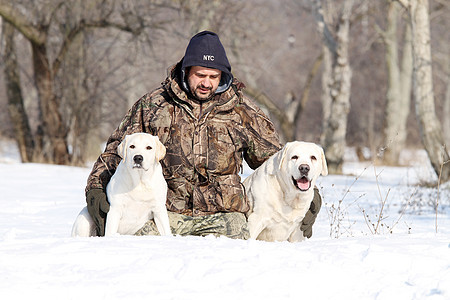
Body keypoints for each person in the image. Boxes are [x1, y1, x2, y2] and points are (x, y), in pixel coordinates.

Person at [85, 31, 322, 239]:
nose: (206, 83)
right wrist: (96, 187)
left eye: (213, 76)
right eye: (200, 74)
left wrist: (308, 191)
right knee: (139, 243)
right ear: (187, 70)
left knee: (237, 252)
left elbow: (277, 161)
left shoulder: (242, 110)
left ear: (223, 76)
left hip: (225, 218)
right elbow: (118, 149)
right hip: (166, 213)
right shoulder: (154, 105)